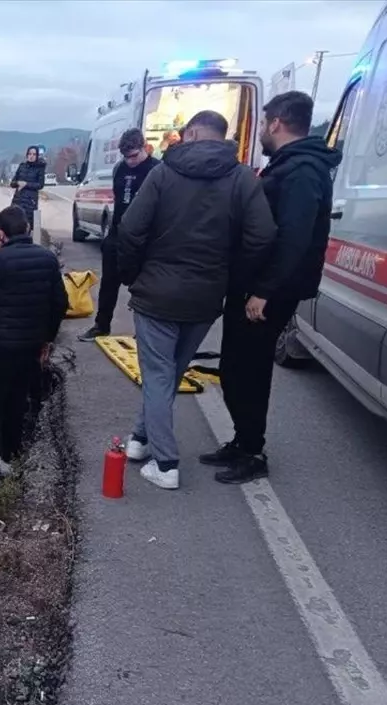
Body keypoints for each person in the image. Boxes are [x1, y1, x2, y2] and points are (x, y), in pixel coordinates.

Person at [117, 110, 275, 490]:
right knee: (168, 374)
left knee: (157, 375)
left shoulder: (163, 173)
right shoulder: (241, 177)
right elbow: (263, 235)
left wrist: (132, 275)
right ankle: (140, 440)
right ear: (223, 136)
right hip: (205, 298)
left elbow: (130, 228)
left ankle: (166, 463)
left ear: (189, 133)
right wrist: (232, 275)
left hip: (157, 293)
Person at [202, 91, 341, 485]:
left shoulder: (301, 171)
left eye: (264, 123)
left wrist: (265, 290)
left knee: (249, 369)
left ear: (277, 122)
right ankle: (242, 440)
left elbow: (294, 238)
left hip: (267, 291)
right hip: (254, 285)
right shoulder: (289, 165)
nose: (262, 130)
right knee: (234, 366)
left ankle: (252, 451)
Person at [0, 206, 68, 491]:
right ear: (28, 229)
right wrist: (47, 339)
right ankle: (10, 458)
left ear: (1, 235)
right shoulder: (47, 259)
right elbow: (60, 303)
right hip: (29, 348)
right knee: (17, 404)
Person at [79, 128, 161, 341]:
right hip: (118, 234)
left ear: (144, 148)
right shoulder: (120, 169)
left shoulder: (157, 170)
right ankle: (101, 325)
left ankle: (143, 332)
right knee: (109, 283)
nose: (130, 161)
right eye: (126, 157)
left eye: (134, 155)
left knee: (143, 288)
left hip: (144, 239)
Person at [10, 146, 47, 232]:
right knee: (13, 224)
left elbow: (40, 185)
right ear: (27, 155)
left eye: (34, 154)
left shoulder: (40, 168)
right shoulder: (22, 166)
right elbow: (12, 183)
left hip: (30, 201)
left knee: (27, 225)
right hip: (18, 199)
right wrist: (18, 183)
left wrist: (26, 184)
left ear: (37, 156)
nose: (31, 156)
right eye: (30, 154)